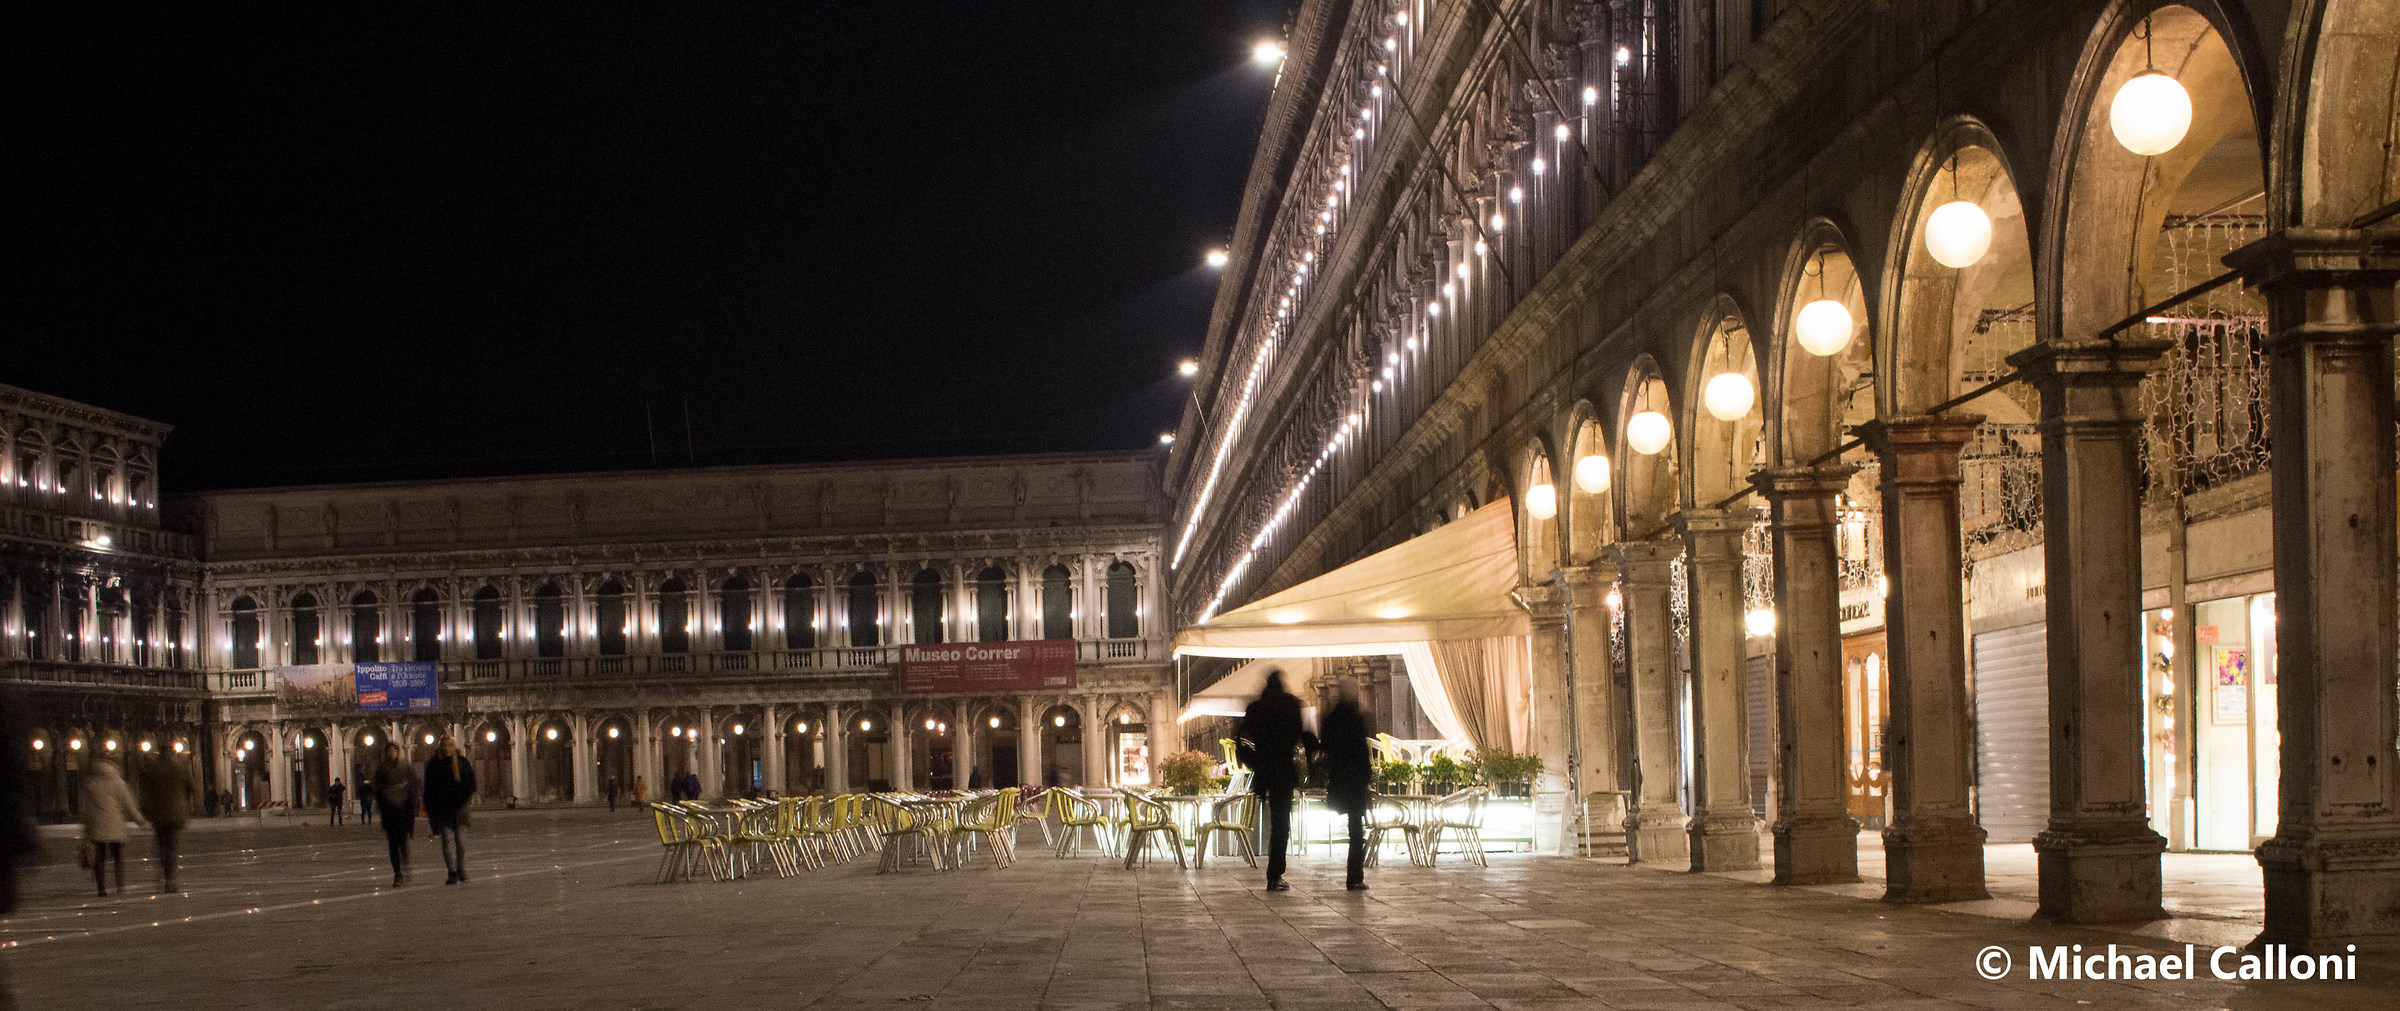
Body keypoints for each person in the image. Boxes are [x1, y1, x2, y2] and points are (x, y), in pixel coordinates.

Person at [1237, 670, 1316, 892]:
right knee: (1281, 824)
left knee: (1272, 822)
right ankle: (1275, 874)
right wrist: (1311, 761)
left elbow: (1242, 737)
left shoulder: (1255, 709)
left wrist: (1252, 761)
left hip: (1264, 771)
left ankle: (1273, 870)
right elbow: (1301, 736)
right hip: (1283, 771)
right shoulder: (1290, 705)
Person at [1319, 690, 1373, 891]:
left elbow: (1324, 744)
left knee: (1355, 829)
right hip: (1355, 781)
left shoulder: (1331, 718)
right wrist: (1366, 776)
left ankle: (1355, 876)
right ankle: (1355, 877)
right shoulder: (1356, 719)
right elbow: (1361, 751)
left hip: (1340, 779)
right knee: (1357, 830)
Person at [80, 756, 146, 897]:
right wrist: (140, 821)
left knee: (100, 857)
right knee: (118, 857)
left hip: (97, 826)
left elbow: (87, 811)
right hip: (115, 825)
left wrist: (86, 832)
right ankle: (120, 885)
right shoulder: (118, 782)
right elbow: (129, 805)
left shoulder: (91, 783)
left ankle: (101, 888)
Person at [136, 753, 201, 893]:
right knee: (172, 847)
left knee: (161, 847)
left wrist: (146, 809)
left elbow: (145, 790)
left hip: (158, 814)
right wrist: (187, 804)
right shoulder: (181, 768)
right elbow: (193, 787)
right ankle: (170, 879)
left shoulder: (153, 768)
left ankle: (165, 876)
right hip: (175, 813)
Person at [423, 736, 476, 885]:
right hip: (443, 808)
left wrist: (463, 798)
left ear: (454, 747)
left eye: (450, 746)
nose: (447, 749)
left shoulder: (462, 762)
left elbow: (471, 782)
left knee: (461, 840)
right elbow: (429, 789)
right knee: (446, 839)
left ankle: (461, 868)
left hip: (460, 807)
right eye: (445, 746)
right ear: (440, 747)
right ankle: (451, 871)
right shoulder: (433, 765)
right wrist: (431, 809)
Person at [369, 743, 418, 886]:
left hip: (403, 810)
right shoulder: (381, 769)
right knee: (392, 844)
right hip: (389, 811)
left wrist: (411, 803)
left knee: (402, 841)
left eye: (394, 750)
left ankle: (405, 865)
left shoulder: (405, 767)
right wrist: (382, 802)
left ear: (398, 752)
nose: (392, 753)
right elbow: (376, 788)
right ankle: (397, 873)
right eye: (389, 750)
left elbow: (414, 785)